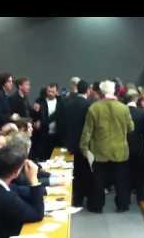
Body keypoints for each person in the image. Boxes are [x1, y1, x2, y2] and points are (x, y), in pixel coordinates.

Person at [80, 80, 134, 213]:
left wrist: (83, 147)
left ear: (100, 92)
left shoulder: (94, 108)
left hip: (100, 151)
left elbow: (87, 131)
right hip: (120, 151)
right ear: (114, 91)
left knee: (98, 181)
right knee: (121, 180)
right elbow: (131, 127)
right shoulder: (123, 108)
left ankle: (97, 205)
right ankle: (123, 204)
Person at [63, 79, 95, 209]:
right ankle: (87, 196)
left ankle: (77, 199)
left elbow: (65, 124)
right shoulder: (89, 105)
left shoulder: (68, 103)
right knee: (87, 172)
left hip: (72, 143)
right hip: (85, 144)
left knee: (75, 173)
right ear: (88, 90)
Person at [126, 90, 144, 203]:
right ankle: (140, 196)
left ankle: (125, 197)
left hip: (124, 147)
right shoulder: (142, 113)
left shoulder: (122, 111)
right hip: (139, 146)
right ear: (136, 99)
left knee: (125, 173)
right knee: (139, 172)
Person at [37, 83, 64, 161]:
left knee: (57, 157)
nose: (50, 94)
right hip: (45, 134)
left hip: (58, 135)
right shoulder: (41, 102)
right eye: (49, 91)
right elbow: (36, 115)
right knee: (45, 157)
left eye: (53, 92)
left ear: (56, 92)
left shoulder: (61, 102)